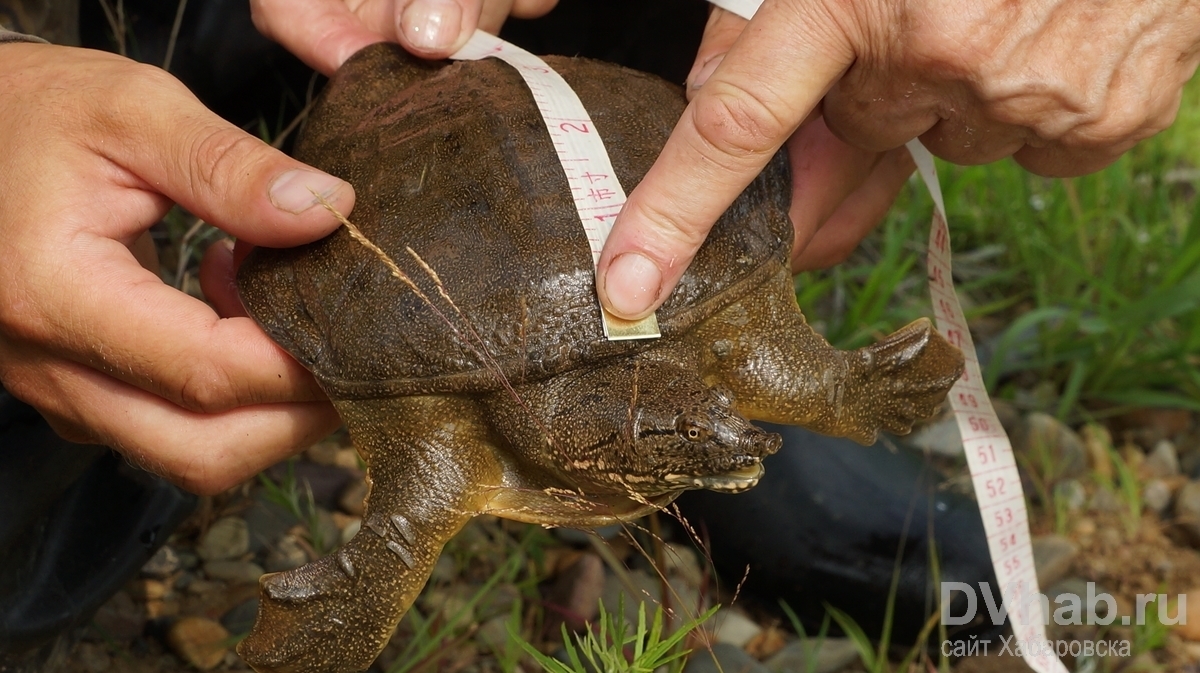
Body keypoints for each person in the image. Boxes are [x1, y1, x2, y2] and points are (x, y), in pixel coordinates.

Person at [1, 0, 1197, 495]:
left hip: (577, 64)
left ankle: (742, 428)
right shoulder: (456, 423)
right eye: (701, 424)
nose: (725, 431)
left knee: (759, 403)